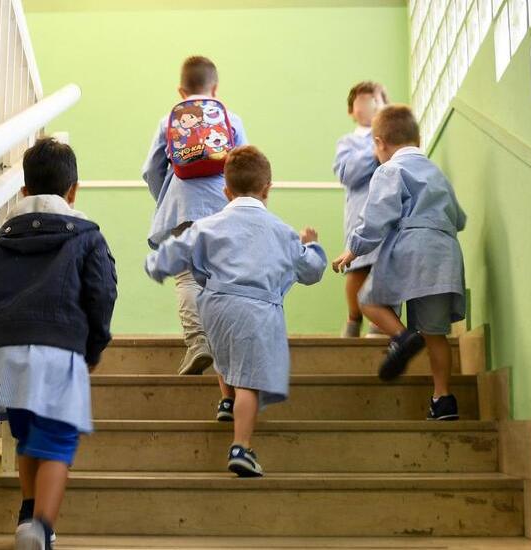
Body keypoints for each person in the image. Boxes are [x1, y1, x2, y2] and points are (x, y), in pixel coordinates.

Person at [145, 146, 326, 475]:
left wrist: (160, 265)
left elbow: (185, 255)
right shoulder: (281, 230)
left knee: (224, 348)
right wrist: (311, 245)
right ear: (267, 189)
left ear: (226, 191)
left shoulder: (210, 224)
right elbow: (310, 270)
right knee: (249, 380)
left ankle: (226, 400)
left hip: (215, 304)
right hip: (257, 309)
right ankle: (242, 447)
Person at [0, 138, 118, 549]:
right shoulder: (87, 236)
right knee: (56, 442)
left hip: (7, 354)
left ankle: (26, 514)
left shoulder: (3, 241)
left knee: (26, 439)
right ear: (73, 191)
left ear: (23, 192)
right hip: (58, 352)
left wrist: (2, 339)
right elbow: (101, 292)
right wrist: (94, 346)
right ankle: (40, 527)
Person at [332, 105, 467, 421]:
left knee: (369, 299)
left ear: (378, 143)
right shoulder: (436, 172)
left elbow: (377, 216)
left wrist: (354, 250)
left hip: (409, 247)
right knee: (435, 332)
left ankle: (403, 337)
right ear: (418, 139)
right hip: (445, 253)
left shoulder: (389, 170)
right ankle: (443, 398)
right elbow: (458, 218)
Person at [142, 55, 249, 375]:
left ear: (180, 90)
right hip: (223, 206)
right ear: (215, 87)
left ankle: (197, 342)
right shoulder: (232, 118)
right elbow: (245, 163)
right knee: (222, 276)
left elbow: (150, 169)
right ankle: (226, 343)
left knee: (187, 276)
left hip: (183, 208)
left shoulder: (168, 120)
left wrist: (166, 198)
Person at [334, 81, 389, 338]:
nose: (369, 106)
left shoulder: (394, 140)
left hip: (389, 216)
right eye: (362, 101)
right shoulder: (348, 142)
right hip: (359, 215)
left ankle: (382, 321)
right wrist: (375, 148)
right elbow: (347, 173)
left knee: (387, 266)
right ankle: (354, 316)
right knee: (358, 268)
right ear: (351, 111)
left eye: (375, 101)